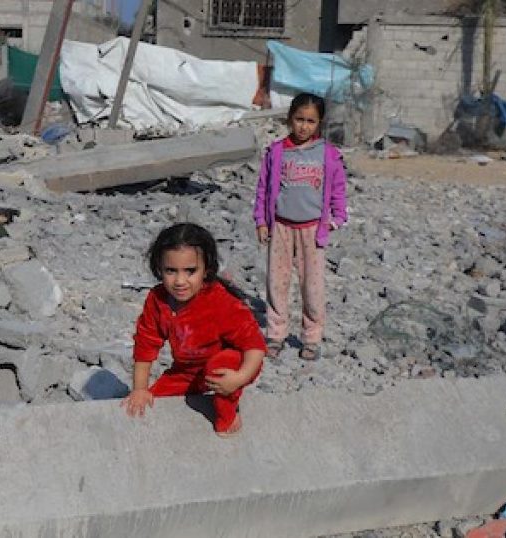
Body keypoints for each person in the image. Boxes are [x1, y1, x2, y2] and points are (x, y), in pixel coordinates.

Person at [122, 222, 266, 437]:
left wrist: (240, 378)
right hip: (186, 370)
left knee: (219, 370)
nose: (180, 281)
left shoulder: (220, 302)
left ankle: (228, 416)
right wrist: (140, 389)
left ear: (206, 270)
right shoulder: (157, 300)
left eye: (190, 271)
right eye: (171, 271)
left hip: (229, 364)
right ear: (159, 269)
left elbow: (254, 346)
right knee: (154, 404)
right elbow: (145, 344)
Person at [253, 93, 348, 361]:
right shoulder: (276, 152)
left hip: (312, 230)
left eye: (310, 121)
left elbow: (338, 189)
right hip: (281, 228)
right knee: (277, 283)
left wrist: (337, 218)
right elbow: (263, 188)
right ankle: (276, 334)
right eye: (299, 119)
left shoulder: (328, 155)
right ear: (289, 119)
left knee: (312, 287)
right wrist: (261, 220)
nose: (304, 126)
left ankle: (311, 337)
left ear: (319, 123)